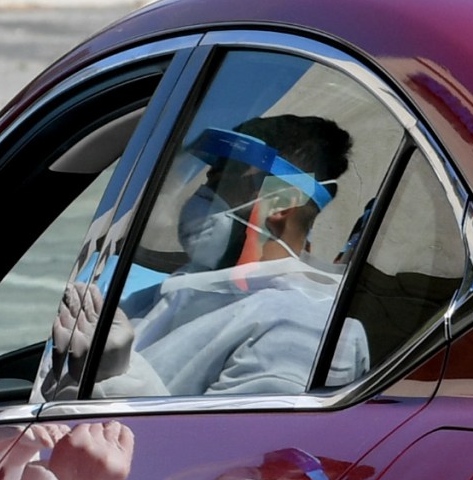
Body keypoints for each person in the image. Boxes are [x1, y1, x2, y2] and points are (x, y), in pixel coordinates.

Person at [60, 113, 371, 400]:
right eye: (209, 180)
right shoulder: (164, 295)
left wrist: (113, 378)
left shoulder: (302, 331)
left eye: (220, 182)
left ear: (282, 204)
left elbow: (230, 453)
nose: (201, 198)